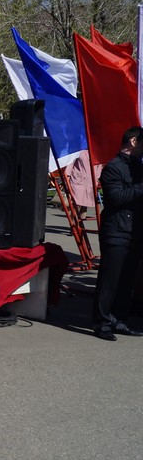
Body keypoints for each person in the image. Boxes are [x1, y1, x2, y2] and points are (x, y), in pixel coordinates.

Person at [92, 127, 143, 341]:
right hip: (117, 230)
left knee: (127, 279)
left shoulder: (138, 167)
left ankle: (119, 319)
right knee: (110, 279)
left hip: (135, 231)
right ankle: (102, 322)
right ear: (133, 141)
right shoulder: (113, 167)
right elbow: (115, 198)